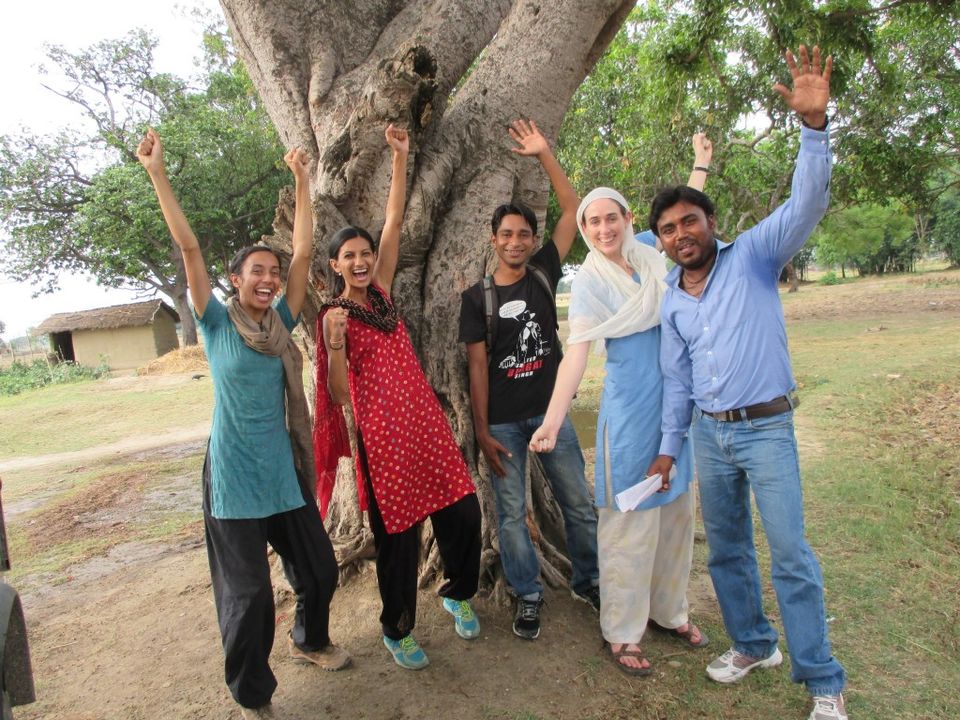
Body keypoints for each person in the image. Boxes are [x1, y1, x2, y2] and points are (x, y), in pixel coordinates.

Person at [646, 46, 849, 720]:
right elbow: (677, 381)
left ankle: (822, 679)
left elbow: (806, 202)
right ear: (663, 242)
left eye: (690, 222)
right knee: (727, 549)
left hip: (765, 429)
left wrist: (814, 130)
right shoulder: (673, 299)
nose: (681, 235)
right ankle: (754, 644)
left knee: (789, 554)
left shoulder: (756, 256)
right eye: (669, 230)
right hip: (711, 435)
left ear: (711, 225)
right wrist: (673, 446)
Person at [137, 129, 349, 720]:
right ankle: (254, 695)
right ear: (237, 279)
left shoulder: (280, 321)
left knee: (319, 568)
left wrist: (304, 181)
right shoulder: (214, 321)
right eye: (257, 270)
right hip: (233, 478)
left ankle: (309, 641)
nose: (269, 278)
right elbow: (189, 249)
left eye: (273, 273)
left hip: (281, 470)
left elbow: (304, 253)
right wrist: (158, 173)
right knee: (250, 595)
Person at [527, 135, 712, 676]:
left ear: (629, 219)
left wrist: (700, 163)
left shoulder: (651, 255)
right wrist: (553, 420)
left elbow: (685, 211)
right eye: (592, 224)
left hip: (677, 410)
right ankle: (623, 631)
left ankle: (670, 610)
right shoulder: (588, 283)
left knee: (677, 512)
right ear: (583, 232)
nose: (604, 230)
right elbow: (575, 358)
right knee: (629, 524)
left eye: (612, 219)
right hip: (630, 417)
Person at [313, 125, 482, 671]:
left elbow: (393, 221)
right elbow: (339, 394)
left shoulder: (382, 293)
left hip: (427, 428)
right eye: (349, 257)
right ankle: (398, 629)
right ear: (334, 266)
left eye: (364, 254)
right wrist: (336, 345)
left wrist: (401, 158)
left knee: (463, 514)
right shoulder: (332, 316)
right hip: (383, 444)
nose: (361, 261)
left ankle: (457, 591)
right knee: (399, 544)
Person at [458, 120, 599, 641]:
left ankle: (591, 581)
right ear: (494, 241)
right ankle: (528, 595)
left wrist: (544, 154)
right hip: (505, 426)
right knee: (512, 516)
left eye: (523, 234)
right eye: (506, 235)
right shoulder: (476, 299)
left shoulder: (544, 271)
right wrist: (483, 430)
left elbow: (571, 208)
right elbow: (476, 366)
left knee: (578, 504)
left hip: (552, 415)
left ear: (534, 240)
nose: (515, 241)